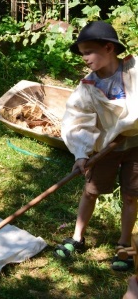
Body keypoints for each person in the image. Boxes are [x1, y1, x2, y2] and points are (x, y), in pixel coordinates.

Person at [54, 21, 138, 272]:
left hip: (136, 146)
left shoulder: (134, 70)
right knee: (91, 191)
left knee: (132, 195)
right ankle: (77, 238)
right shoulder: (87, 88)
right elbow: (77, 122)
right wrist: (81, 153)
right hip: (105, 148)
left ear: (109, 48)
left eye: (89, 52)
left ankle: (124, 245)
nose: (85, 59)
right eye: (82, 54)